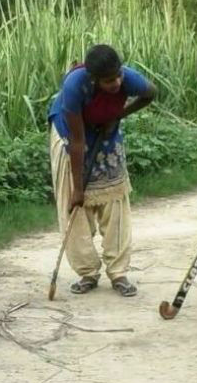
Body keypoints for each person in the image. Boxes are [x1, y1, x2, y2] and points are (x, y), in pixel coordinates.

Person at [48, 44, 156, 297]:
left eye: (118, 75)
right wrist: (77, 188)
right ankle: (87, 272)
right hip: (70, 135)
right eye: (109, 81)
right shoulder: (75, 86)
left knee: (115, 199)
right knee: (74, 205)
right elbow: (77, 141)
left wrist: (119, 115)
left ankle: (118, 272)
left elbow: (151, 93)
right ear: (94, 79)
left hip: (106, 130)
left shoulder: (128, 78)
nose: (117, 83)